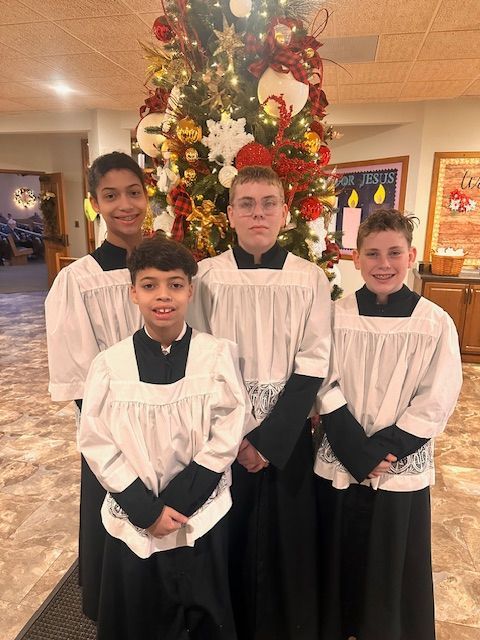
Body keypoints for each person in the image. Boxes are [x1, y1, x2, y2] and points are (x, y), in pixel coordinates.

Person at [188, 165, 332, 640]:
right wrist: (238, 434)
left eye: (269, 203)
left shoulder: (308, 278)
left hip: (285, 436)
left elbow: (314, 360)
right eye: (246, 204)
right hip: (224, 434)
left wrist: (268, 440)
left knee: (288, 537)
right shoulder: (207, 276)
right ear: (230, 214)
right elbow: (200, 356)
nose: (258, 214)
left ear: (285, 213)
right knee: (226, 535)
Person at [79, 236, 248, 640]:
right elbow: (96, 440)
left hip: (199, 514)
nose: (163, 296)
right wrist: (145, 509)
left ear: (190, 290)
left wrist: (183, 499)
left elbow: (229, 427)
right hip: (137, 518)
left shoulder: (215, 355)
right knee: (140, 617)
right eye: (150, 285)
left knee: (206, 612)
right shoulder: (110, 365)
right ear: (133, 293)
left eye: (175, 284)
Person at [315, 209, 463, 640]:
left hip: (397, 463)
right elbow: (322, 378)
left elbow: (438, 395)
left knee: (391, 560)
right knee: (338, 552)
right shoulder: (335, 315)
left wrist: (384, 449)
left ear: (411, 256)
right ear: (356, 258)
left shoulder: (433, 322)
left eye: (394, 253)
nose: (384, 264)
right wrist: (354, 448)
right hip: (343, 456)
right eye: (373, 254)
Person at [45, 151, 147, 621]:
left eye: (133, 192)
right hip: (113, 431)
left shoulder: (170, 268)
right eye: (111, 195)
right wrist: (117, 436)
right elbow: (81, 378)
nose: (124, 205)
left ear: (146, 196)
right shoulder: (78, 281)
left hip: (173, 418)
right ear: (95, 204)